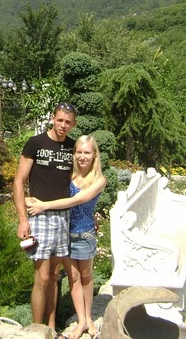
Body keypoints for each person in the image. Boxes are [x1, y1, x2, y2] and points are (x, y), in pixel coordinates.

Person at [26, 135, 106, 339]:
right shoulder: (69, 175)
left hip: (85, 235)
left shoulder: (99, 180)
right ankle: (81, 320)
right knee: (73, 278)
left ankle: (88, 318)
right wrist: (28, 198)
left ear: (94, 155)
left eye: (87, 152)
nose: (82, 156)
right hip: (65, 233)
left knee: (86, 277)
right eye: (78, 152)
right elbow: (50, 186)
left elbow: (77, 200)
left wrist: (44, 206)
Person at [13, 102, 77, 329]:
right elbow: (19, 181)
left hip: (63, 217)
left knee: (54, 275)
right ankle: (36, 328)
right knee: (41, 276)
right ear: (52, 118)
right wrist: (23, 219)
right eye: (60, 120)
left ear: (73, 124)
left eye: (68, 122)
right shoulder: (35, 143)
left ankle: (50, 328)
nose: (63, 125)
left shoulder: (72, 147)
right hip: (39, 217)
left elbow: (78, 183)